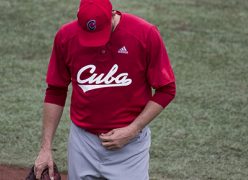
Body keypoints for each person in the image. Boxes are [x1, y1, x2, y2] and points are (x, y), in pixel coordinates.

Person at [34, 0, 176, 179]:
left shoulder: (144, 34)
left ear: (112, 15)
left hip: (129, 147)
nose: (96, 43)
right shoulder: (66, 37)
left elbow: (166, 89)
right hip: (82, 145)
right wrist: (45, 148)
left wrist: (133, 129)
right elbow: (55, 90)